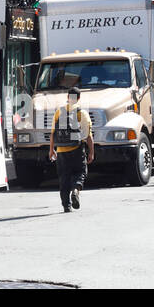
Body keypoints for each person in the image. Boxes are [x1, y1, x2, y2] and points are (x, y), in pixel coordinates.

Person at [48, 85, 93, 214]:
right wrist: (91, 152)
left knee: (64, 178)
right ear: (78, 98)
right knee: (80, 172)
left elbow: (53, 133)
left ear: (68, 97)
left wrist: (51, 150)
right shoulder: (81, 112)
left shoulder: (59, 111)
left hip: (61, 151)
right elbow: (88, 135)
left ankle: (66, 206)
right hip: (77, 149)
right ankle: (76, 190)